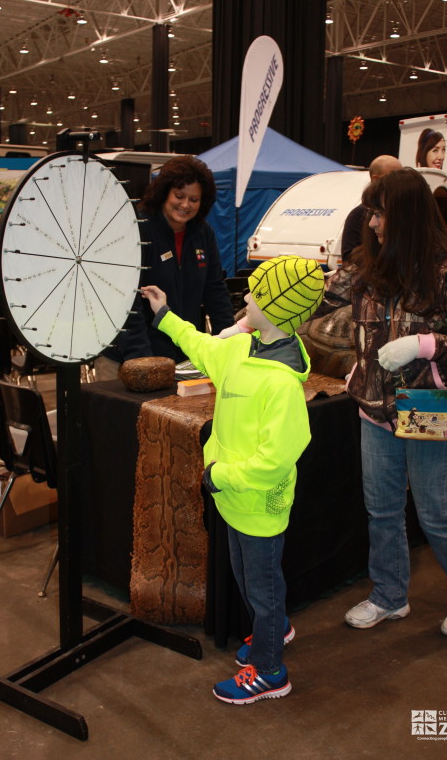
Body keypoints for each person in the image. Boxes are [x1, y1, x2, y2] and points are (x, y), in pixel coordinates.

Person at [313, 167, 447, 637]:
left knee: (435, 509)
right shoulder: (367, 266)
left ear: (406, 215)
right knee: (383, 507)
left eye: (378, 213)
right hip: (374, 409)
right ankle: (390, 596)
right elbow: (319, 297)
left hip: (429, 403)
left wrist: (424, 345)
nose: (371, 223)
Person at [141, 255, 325, 704]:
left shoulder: (281, 385)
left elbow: (276, 460)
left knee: (259, 587)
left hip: (258, 504)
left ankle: (269, 671)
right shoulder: (242, 349)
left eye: (257, 295)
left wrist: (221, 474)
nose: (246, 298)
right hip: (231, 497)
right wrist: (164, 315)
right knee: (249, 578)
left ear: (278, 309)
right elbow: (201, 345)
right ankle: (276, 628)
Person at [94, 155, 234, 380]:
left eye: (194, 199)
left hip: (181, 357)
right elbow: (126, 301)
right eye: (179, 196)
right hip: (128, 358)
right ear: (164, 193)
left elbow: (215, 290)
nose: (185, 205)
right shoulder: (137, 228)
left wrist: (229, 344)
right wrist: (142, 361)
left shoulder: (203, 233)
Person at [341, 154, 402, 263]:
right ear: (375, 179)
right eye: (393, 176)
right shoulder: (358, 215)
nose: (372, 223)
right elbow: (349, 259)